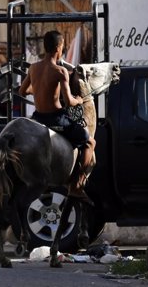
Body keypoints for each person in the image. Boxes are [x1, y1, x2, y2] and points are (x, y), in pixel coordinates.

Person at [19, 30, 95, 199]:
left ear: (45, 47)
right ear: (59, 48)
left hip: (38, 118)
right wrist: (80, 100)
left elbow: (22, 90)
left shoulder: (33, 68)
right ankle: (77, 185)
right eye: (62, 47)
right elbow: (68, 102)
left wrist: (38, 90)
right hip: (56, 119)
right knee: (90, 142)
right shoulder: (60, 71)